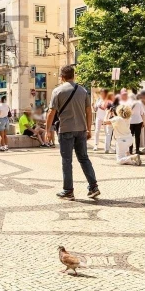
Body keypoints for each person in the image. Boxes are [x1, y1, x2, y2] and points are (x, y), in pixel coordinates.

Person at [47, 65, 98, 200]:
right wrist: (89, 128)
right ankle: (93, 187)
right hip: (81, 129)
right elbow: (88, 111)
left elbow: (51, 112)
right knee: (84, 158)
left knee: (67, 161)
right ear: (73, 75)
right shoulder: (83, 90)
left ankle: (68, 190)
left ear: (62, 76)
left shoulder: (57, 91)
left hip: (66, 129)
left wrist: (48, 130)